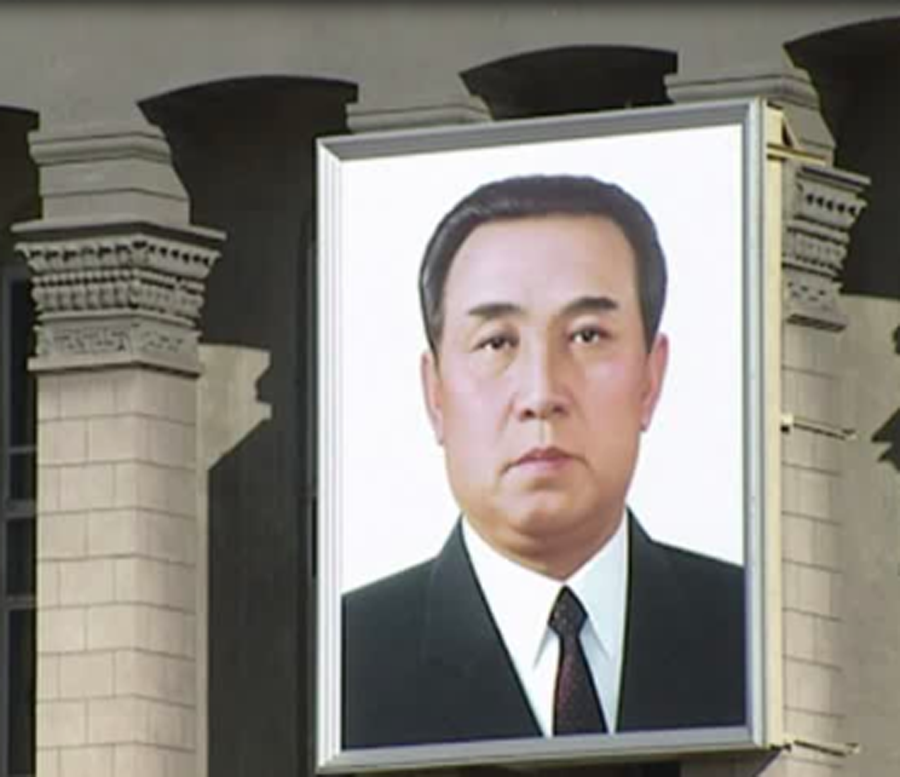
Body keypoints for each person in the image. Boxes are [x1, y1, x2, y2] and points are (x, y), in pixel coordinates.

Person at [342, 174, 745, 749]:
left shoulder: (754, 631)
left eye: (586, 335)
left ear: (651, 379)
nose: (541, 392)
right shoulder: (343, 656)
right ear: (435, 395)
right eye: (497, 342)